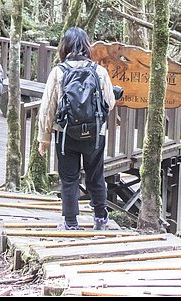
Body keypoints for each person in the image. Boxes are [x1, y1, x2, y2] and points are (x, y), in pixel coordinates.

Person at [37, 27, 117, 231]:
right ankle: (100, 218)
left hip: (65, 134)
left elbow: (48, 107)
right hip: (95, 134)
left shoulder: (59, 71)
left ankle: (71, 222)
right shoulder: (99, 71)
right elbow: (110, 101)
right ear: (86, 46)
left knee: (69, 178)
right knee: (95, 175)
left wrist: (44, 138)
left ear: (64, 47)